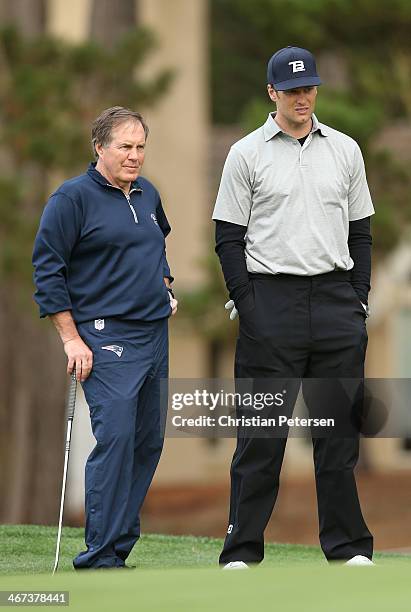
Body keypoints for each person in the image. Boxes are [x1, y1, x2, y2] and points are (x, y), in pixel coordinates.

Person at [212, 46, 374, 568]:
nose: (303, 98)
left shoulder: (345, 150)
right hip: (270, 303)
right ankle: (241, 549)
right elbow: (228, 238)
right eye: (292, 89)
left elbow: (361, 232)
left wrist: (358, 299)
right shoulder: (246, 154)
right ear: (271, 93)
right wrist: (249, 305)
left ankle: (346, 546)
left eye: (309, 88)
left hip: (334, 302)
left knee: (337, 436)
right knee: (262, 438)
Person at [33, 106, 177, 569]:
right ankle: (98, 553)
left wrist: (166, 285)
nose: (135, 156)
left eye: (140, 147)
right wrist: (71, 340)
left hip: (155, 334)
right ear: (99, 147)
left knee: (147, 442)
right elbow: (48, 270)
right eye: (125, 147)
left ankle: (117, 546)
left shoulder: (148, 194)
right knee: (116, 439)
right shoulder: (71, 198)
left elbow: (157, 247)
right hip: (104, 337)